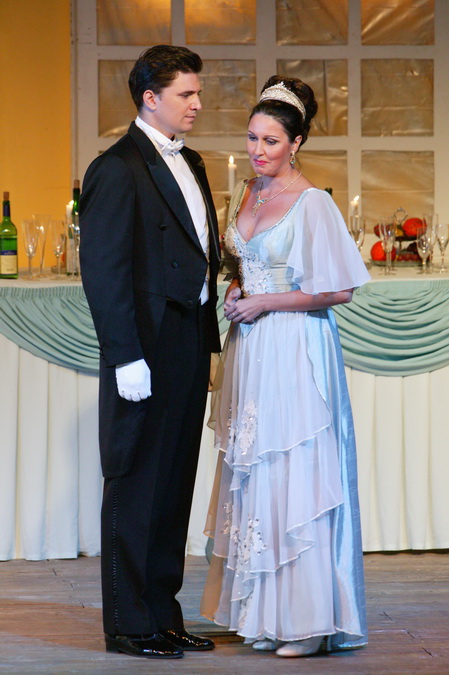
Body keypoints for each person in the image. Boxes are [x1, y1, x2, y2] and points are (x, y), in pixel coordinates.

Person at [200, 76, 370, 658]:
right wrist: (237, 290)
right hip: (251, 348)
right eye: (252, 137)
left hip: (295, 346)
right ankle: (264, 614)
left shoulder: (312, 201)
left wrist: (264, 301)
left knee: (294, 467)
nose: (257, 150)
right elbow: (245, 264)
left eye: (270, 141)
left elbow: (339, 290)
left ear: (296, 143)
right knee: (257, 470)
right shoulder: (248, 191)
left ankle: (310, 621)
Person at [79, 45, 221, 660]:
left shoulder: (193, 160)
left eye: (197, 92)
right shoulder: (116, 167)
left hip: (186, 340)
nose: (197, 103)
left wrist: (209, 340)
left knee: (174, 483)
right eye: (186, 93)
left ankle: (163, 614)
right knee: (136, 481)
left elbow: (202, 255)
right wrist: (125, 356)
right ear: (150, 98)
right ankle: (129, 625)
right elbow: (103, 271)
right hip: (143, 346)